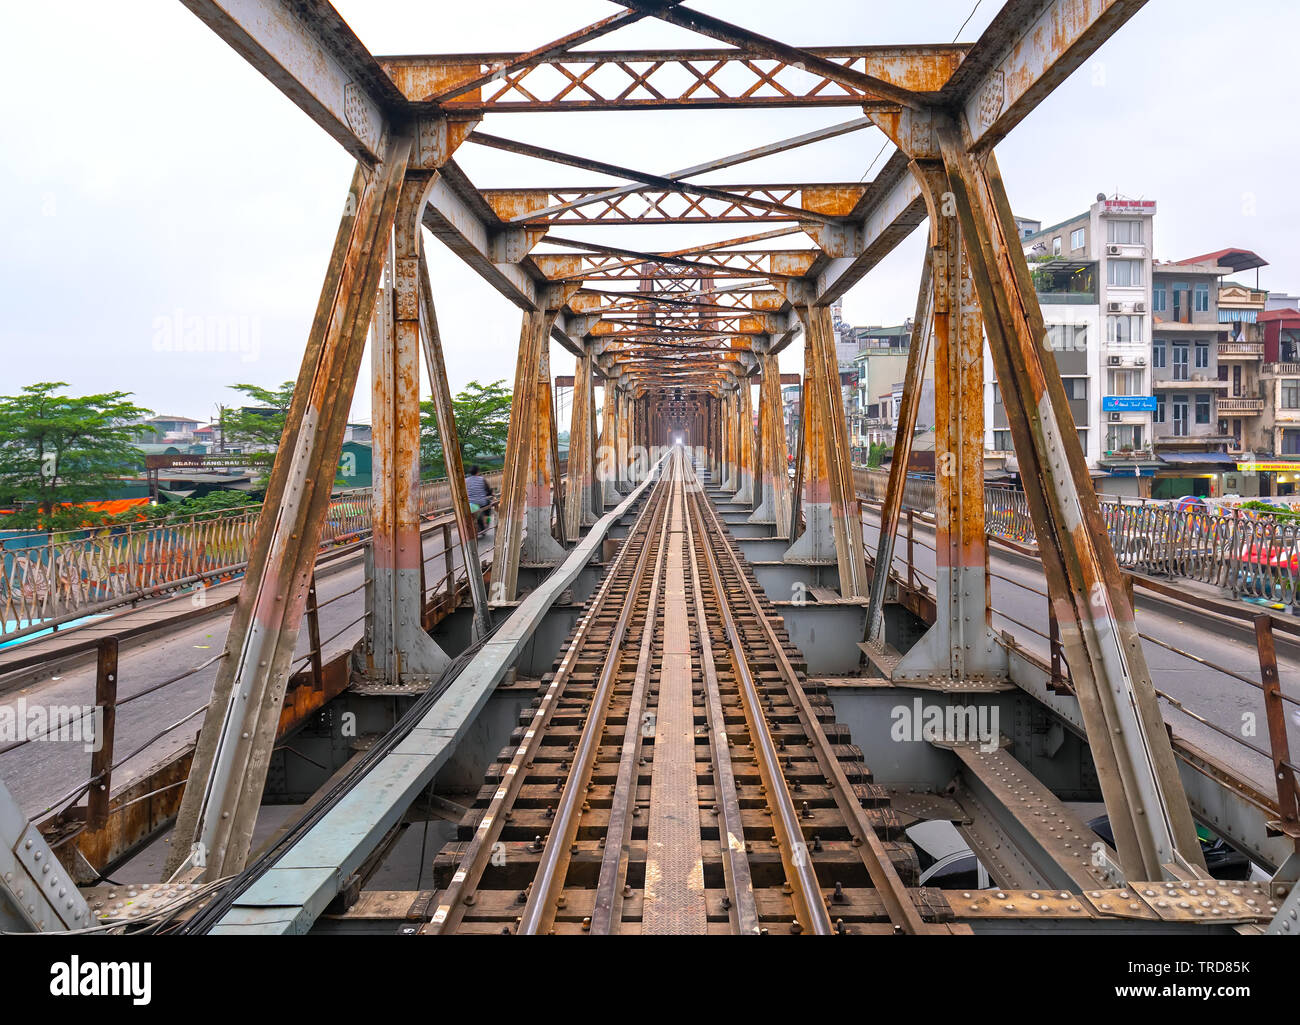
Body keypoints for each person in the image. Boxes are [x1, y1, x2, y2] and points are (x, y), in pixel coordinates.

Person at [465, 464, 493, 535]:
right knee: (488, 507)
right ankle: (487, 522)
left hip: (470, 502)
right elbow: (488, 490)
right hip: (482, 502)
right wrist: (490, 494)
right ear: (478, 471)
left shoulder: (466, 480)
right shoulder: (482, 479)